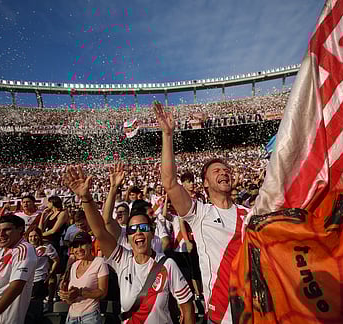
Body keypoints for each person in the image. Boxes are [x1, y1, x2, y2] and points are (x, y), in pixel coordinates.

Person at [63, 165, 195, 324]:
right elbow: (100, 231)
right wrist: (86, 198)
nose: (138, 232)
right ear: (128, 236)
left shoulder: (168, 265)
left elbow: (187, 309)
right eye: (133, 229)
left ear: (152, 233)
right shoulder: (123, 260)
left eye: (144, 228)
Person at [154, 101, 249, 324]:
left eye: (226, 170)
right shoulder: (199, 213)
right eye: (217, 171)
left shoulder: (249, 214)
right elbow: (169, 182)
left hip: (255, 310)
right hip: (220, 314)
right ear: (205, 183)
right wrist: (167, 136)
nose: (224, 173)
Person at [58, 231, 109, 324]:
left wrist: (80, 292)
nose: (79, 249)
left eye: (82, 244)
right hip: (71, 317)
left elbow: (102, 292)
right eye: (76, 246)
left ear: (90, 245)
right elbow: (71, 300)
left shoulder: (100, 263)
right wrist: (66, 296)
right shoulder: (74, 266)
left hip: (90, 317)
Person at [27, 227, 60, 301]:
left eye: (35, 236)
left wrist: (50, 274)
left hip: (40, 278)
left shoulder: (47, 247)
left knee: (36, 302)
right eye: (31, 236)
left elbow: (56, 260)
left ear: (39, 236)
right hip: (27, 279)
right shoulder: (26, 248)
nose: (33, 238)